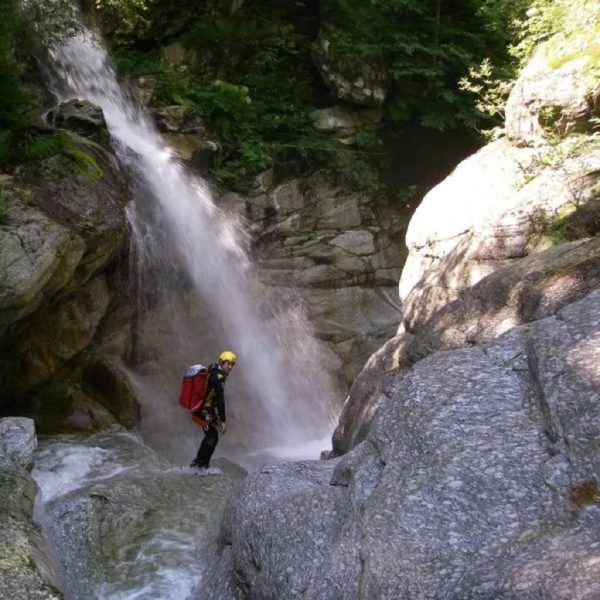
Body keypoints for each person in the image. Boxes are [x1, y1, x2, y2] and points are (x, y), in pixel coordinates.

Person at [190, 350, 237, 470]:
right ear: (222, 362)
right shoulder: (218, 379)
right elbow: (220, 401)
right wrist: (223, 421)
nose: (230, 367)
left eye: (232, 364)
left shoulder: (213, 368)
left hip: (206, 408)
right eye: (228, 364)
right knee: (212, 436)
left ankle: (199, 462)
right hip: (203, 410)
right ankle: (201, 464)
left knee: (211, 435)